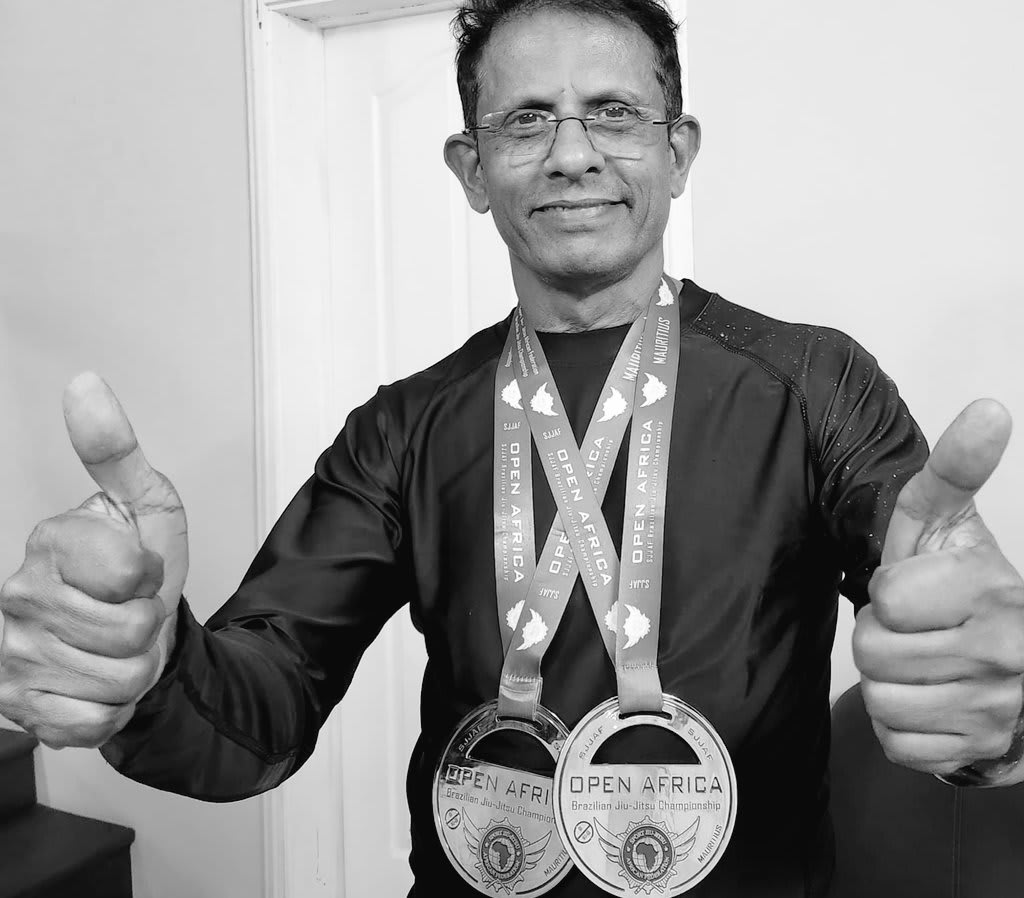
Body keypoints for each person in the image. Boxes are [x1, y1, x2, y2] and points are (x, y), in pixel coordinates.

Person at [1, 1, 1022, 895]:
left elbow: (959, 650)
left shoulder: (815, 385)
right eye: (527, 119)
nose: (572, 153)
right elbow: (253, 723)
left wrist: (1000, 715)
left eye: (613, 112)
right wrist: (149, 670)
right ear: (473, 169)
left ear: (677, 152)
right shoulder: (401, 428)